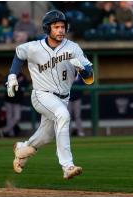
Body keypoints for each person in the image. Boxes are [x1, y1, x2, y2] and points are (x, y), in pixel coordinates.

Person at [6, 10, 94, 179]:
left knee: (45, 136)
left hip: (63, 98)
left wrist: (83, 69)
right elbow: (19, 53)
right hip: (42, 95)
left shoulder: (73, 48)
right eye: (56, 27)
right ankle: (67, 166)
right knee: (63, 116)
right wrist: (12, 76)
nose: (61, 30)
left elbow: (89, 77)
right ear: (48, 29)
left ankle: (22, 149)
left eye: (62, 27)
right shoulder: (34, 47)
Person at [0, 72, 29, 137]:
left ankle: (4, 130)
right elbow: (4, 84)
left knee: (17, 117)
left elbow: (26, 84)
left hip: (17, 100)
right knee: (9, 117)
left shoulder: (22, 76)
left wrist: (20, 85)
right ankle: (10, 134)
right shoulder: (9, 75)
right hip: (9, 99)